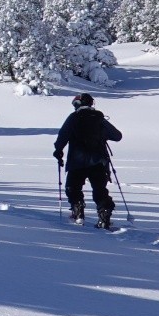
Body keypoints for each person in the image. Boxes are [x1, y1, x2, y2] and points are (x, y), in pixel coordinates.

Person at [53, 93, 123, 228]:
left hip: (77, 162)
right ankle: (104, 215)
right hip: (98, 162)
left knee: (73, 187)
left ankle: (78, 212)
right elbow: (117, 136)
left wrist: (58, 150)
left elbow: (63, 135)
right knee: (100, 189)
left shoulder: (74, 117)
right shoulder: (99, 119)